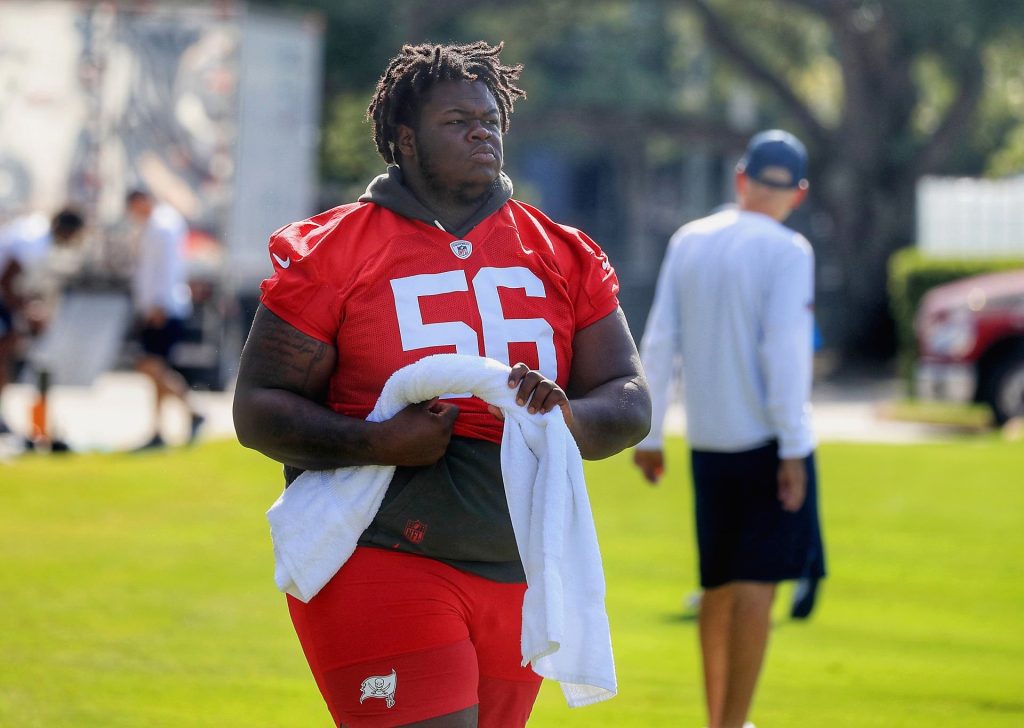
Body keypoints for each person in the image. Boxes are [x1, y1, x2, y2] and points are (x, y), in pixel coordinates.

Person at [232, 41, 651, 728]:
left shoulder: (560, 251)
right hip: (381, 548)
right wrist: (378, 442)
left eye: (490, 120)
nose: (482, 133)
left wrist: (564, 417)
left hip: (520, 562)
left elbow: (629, 397)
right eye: (457, 121)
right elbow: (258, 409)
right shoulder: (333, 251)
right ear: (405, 139)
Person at [632, 129, 826, 728]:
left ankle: (719, 720)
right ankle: (733, 723)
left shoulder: (690, 239)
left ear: (742, 179)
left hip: (708, 443)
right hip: (767, 442)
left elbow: (659, 340)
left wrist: (650, 434)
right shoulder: (790, 250)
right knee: (756, 591)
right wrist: (794, 449)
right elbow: (785, 354)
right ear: (798, 192)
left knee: (716, 587)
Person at [124, 189, 203, 449]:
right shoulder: (153, 225)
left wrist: (159, 303)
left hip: (163, 308)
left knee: (149, 366)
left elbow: (167, 268)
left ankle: (193, 410)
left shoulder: (163, 224)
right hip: (154, 307)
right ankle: (158, 429)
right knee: (156, 369)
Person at [0, 208, 85, 435]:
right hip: (4, 299)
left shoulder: (40, 237)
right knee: (5, 351)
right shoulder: (35, 244)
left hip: (7, 300)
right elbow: (6, 280)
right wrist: (25, 312)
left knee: (6, 353)